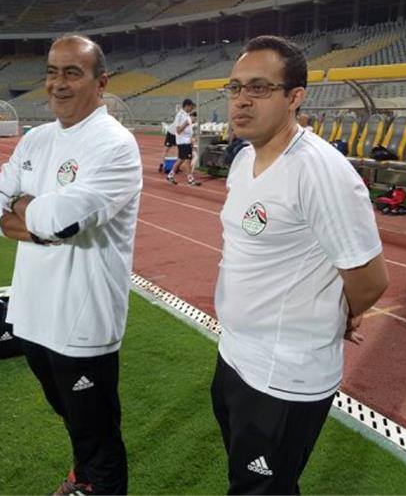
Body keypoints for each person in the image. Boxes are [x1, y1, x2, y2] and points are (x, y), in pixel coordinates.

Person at [211, 35, 389, 495]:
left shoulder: (319, 171)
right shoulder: (244, 159)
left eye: (259, 88)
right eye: (235, 87)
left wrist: (337, 312)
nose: (241, 100)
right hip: (235, 356)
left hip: (283, 376)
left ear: (294, 97)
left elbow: (370, 279)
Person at [0, 34, 140, 496]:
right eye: (52, 72)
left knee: (97, 432)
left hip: (80, 321)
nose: (58, 84)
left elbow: (62, 222)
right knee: (70, 416)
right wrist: (32, 222)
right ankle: (82, 478)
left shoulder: (114, 144)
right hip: (31, 313)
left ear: (101, 82)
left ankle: (97, 484)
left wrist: (21, 206)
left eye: (72, 73)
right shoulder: (37, 139)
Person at [166, 98, 198, 186]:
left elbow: (188, 129)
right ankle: (190, 180)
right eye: (191, 106)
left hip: (186, 140)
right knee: (188, 160)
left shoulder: (186, 115)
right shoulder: (180, 115)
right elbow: (178, 130)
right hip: (183, 141)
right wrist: (185, 124)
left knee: (181, 159)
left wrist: (192, 137)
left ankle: (170, 175)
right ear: (186, 106)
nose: (192, 108)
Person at [158, 104, 180, 172]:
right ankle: (161, 164)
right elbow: (177, 109)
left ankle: (176, 166)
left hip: (177, 135)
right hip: (171, 133)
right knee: (166, 149)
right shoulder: (180, 114)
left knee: (178, 150)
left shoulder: (187, 118)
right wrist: (178, 107)